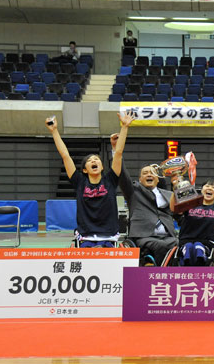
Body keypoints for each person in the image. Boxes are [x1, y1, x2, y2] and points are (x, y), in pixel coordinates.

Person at [47, 111, 135, 247]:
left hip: (109, 236)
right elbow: (65, 155)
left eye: (97, 159)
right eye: (90, 160)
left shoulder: (110, 180)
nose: (94, 160)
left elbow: (118, 153)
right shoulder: (79, 182)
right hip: (86, 236)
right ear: (84, 169)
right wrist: (54, 131)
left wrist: (125, 127)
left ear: (101, 167)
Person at [117, 140, 179, 267]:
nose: (149, 175)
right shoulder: (133, 191)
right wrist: (116, 151)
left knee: (181, 244)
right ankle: (159, 272)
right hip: (144, 236)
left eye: (152, 173)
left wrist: (178, 185)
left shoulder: (168, 194)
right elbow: (122, 174)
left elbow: (181, 210)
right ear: (140, 179)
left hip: (169, 235)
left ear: (157, 179)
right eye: (145, 173)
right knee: (161, 246)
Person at [173, 155, 214, 266]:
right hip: (186, 242)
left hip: (207, 245)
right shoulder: (190, 204)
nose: (209, 188)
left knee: (198, 247)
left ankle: (200, 256)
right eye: (207, 186)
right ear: (201, 189)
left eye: (213, 187)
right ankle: (187, 256)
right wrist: (176, 183)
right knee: (189, 247)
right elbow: (176, 207)